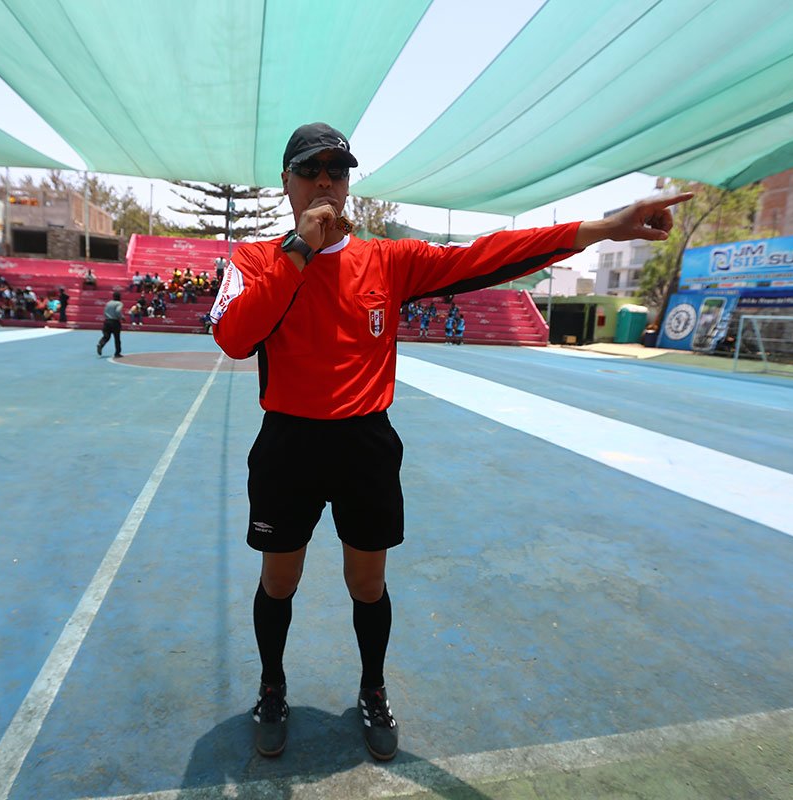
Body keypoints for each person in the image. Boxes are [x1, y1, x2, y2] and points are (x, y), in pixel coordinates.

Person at [208, 122, 691, 762]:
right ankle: (273, 686)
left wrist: (603, 228)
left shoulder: (387, 261)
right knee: (279, 581)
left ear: (349, 181)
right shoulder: (253, 261)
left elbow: (489, 254)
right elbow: (236, 339)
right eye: (310, 169)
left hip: (365, 444)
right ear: (287, 182)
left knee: (368, 586)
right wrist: (297, 251)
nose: (325, 180)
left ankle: (372, 690)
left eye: (337, 169)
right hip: (288, 443)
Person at [96, 290, 124, 358]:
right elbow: (117, 311)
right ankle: (117, 353)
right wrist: (121, 317)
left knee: (106, 336)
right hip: (115, 322)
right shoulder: (119, 303)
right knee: (117, 338)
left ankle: (101, 344)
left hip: (107, 321)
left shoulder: (108, 303)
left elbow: (105, 311)